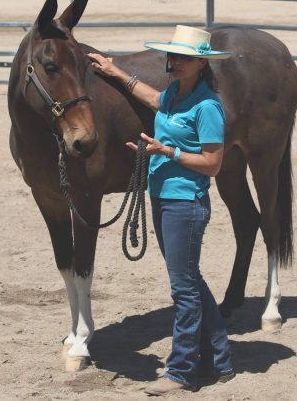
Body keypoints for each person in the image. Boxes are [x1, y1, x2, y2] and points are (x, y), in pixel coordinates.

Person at [88, 25, 235, 395]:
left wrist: (167, 152)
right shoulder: (174, 95)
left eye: (184, 58)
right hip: (165, 199)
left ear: (201, 63)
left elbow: (213, 164)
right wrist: (116, 72)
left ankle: (182, 371)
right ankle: (220, 360)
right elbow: (153, 98)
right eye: (173, 56)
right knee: (192, 281)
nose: (175, 62)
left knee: (183, 289)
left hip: (185, 202)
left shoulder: (208, 107)